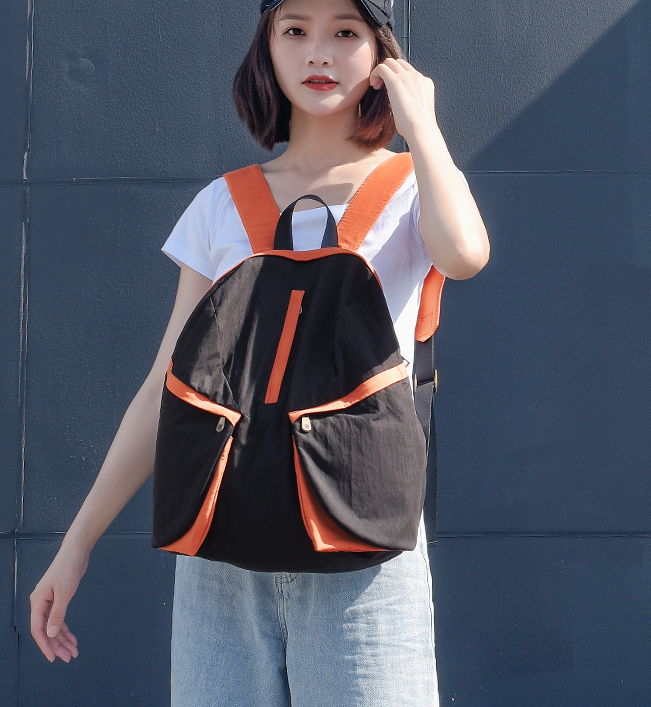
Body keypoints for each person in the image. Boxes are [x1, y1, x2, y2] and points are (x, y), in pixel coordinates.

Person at [30, 0, 489, 704]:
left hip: (362, 542)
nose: (318, 52)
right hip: (222, 550)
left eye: (345, 32)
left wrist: (421, 122)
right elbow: (166, 385)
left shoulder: (411, 185)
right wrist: (78, 541)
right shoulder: (224, 203)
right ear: (266, 48)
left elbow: (463, 255)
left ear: (382, 55)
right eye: (294, 30)